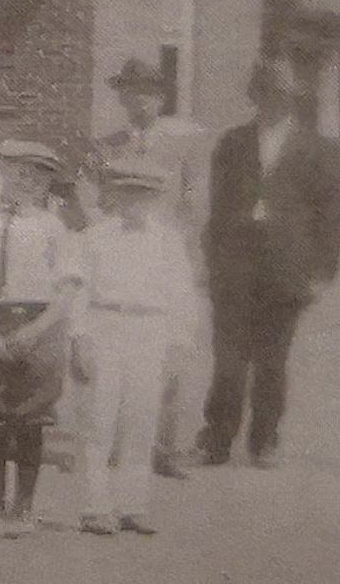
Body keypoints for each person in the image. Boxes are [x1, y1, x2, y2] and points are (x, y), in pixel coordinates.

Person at [200, 56, 335, 467]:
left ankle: (265, 441)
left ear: (293, 100)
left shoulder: (320, 150)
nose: (274, 102)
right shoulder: (233, 142)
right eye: (266, 94)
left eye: (282, 95)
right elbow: (218, 208)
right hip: (235, 266)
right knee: (228, 359)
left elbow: (332, 216)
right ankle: (217, 439)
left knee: (272, 361)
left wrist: (322, 272)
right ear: (255, 97)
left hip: (287, 267)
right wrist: (211, 262)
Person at [0, 141, 79, 532]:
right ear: (1, 174)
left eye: (35, 176)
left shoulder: (52, 227)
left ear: (46, 184)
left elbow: (66, 291)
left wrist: (37, 330)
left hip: (37, 321)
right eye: (16, 172)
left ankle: (23, 508)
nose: (24, 182)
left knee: (31, 417)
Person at [75, 156, 191, 534]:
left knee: (141, 419)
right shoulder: (94, 236)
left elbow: (181, 296)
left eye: (144, 195)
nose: (135, 202)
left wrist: (177, 346)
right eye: (128, 193)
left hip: (150, 329)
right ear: (114, 194)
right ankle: (96, 507)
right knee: (100, 420)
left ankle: (132, 503)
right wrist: (80, 338)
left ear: (156, 198)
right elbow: (79, 292)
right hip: (106, 323)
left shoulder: (168, 240)